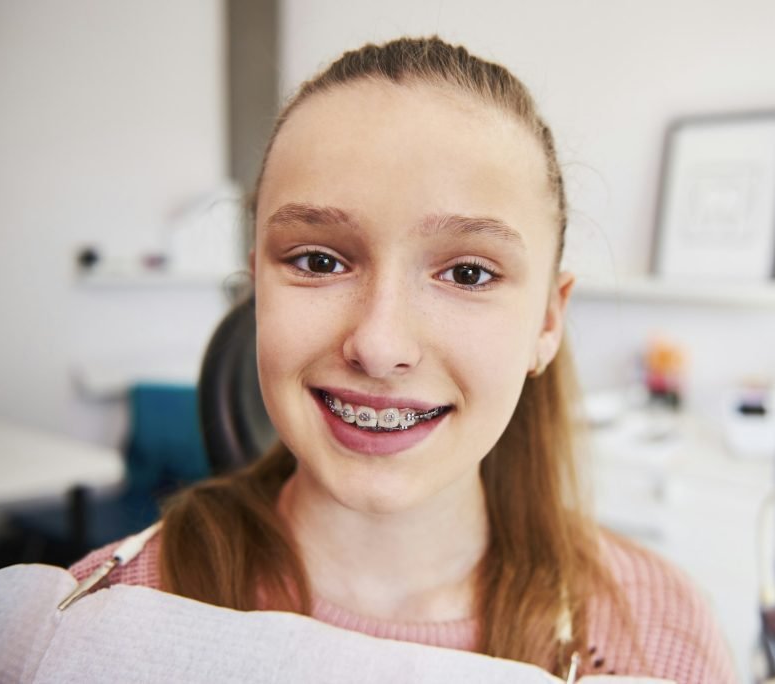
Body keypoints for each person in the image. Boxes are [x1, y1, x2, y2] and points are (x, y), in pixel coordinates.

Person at [71, 36, 735, 682]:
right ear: (258, 289)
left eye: (468, 274)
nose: (380, 346)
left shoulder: (661, 637)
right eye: (318, 261)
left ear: (547, 320)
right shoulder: (99, 619)